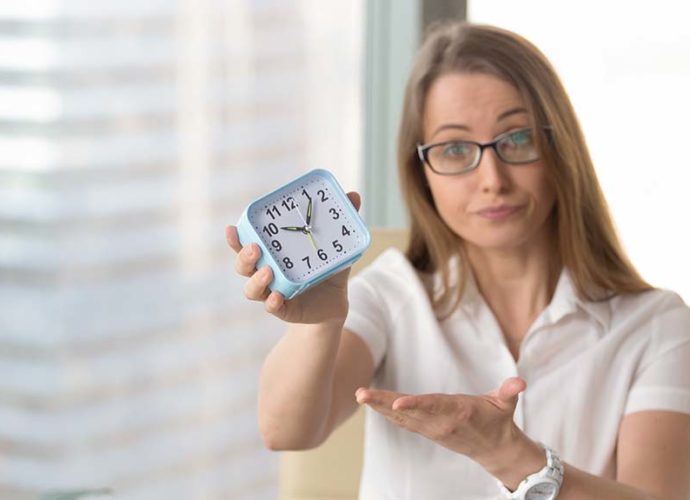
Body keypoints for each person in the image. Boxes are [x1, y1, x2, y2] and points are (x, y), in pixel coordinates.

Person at [226, 21, 690, 499]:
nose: (492, 180)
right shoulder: (389, 294)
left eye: (518, 139)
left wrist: (509, 455)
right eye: (453, 149)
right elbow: (285, 430)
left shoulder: (656, 324)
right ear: (421, 172)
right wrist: (321, 324)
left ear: (560, 150)